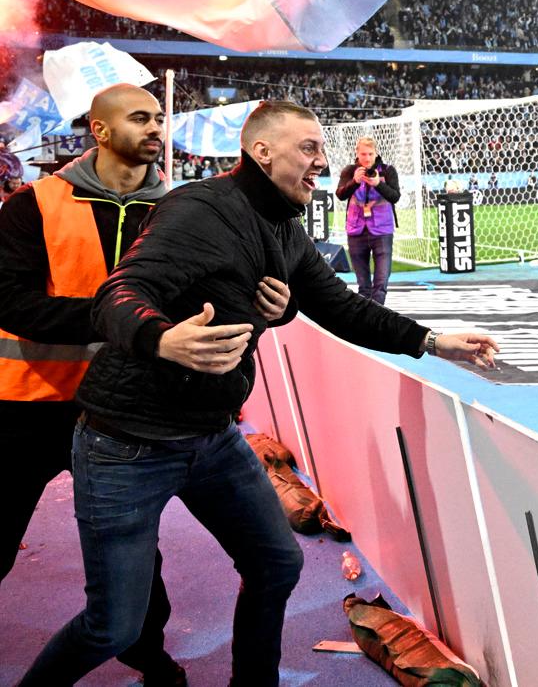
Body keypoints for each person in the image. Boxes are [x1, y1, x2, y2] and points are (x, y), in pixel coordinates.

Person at [19, 101, 499, 687]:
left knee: (276, 565)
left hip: (212, 438)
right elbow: (121, 291)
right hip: (126, 443)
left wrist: (432, 340)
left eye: (323, 150)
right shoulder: (199, 209)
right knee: (113, 627)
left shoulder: (284, 228)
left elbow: (341, 307)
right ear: (262, 152)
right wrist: (161, 338)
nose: (324, 162)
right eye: (309, 149)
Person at [0, 85, 200, 687]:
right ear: (100, 130)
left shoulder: (180, 211)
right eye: (140, 117)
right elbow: (11, 302)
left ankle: (146, 653)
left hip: (121, 409)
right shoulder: (33, 205)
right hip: (27, 403)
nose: (156, 126)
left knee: (138, 550)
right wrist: (117, 318)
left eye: (159, 117)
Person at [335, 135, 400, 304]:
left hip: (382, 230)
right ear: (357, 154)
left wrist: (378, 183)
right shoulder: (349, 171)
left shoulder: (387, 170)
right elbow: (341, 195)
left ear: (376, 153)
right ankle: (366, 321)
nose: (367, 158)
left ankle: (377, 318)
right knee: (363, 286)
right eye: (363, 154)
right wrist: (355, 182)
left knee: (381, 283)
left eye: (370, 154)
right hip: (356, 230)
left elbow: (395, 197)